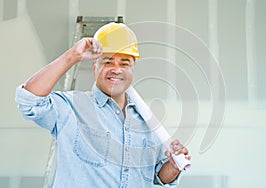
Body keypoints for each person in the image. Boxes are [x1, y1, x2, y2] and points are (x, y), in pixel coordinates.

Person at [15, 22, 190, 187]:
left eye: (124, 63)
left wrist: (173, 166)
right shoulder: (72, 107)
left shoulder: (146, 120)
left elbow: (158, 175)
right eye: (108, 62)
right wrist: (72, 56)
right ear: (94, 67)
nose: (117, 69)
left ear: (133, 69)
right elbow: (30, 100)